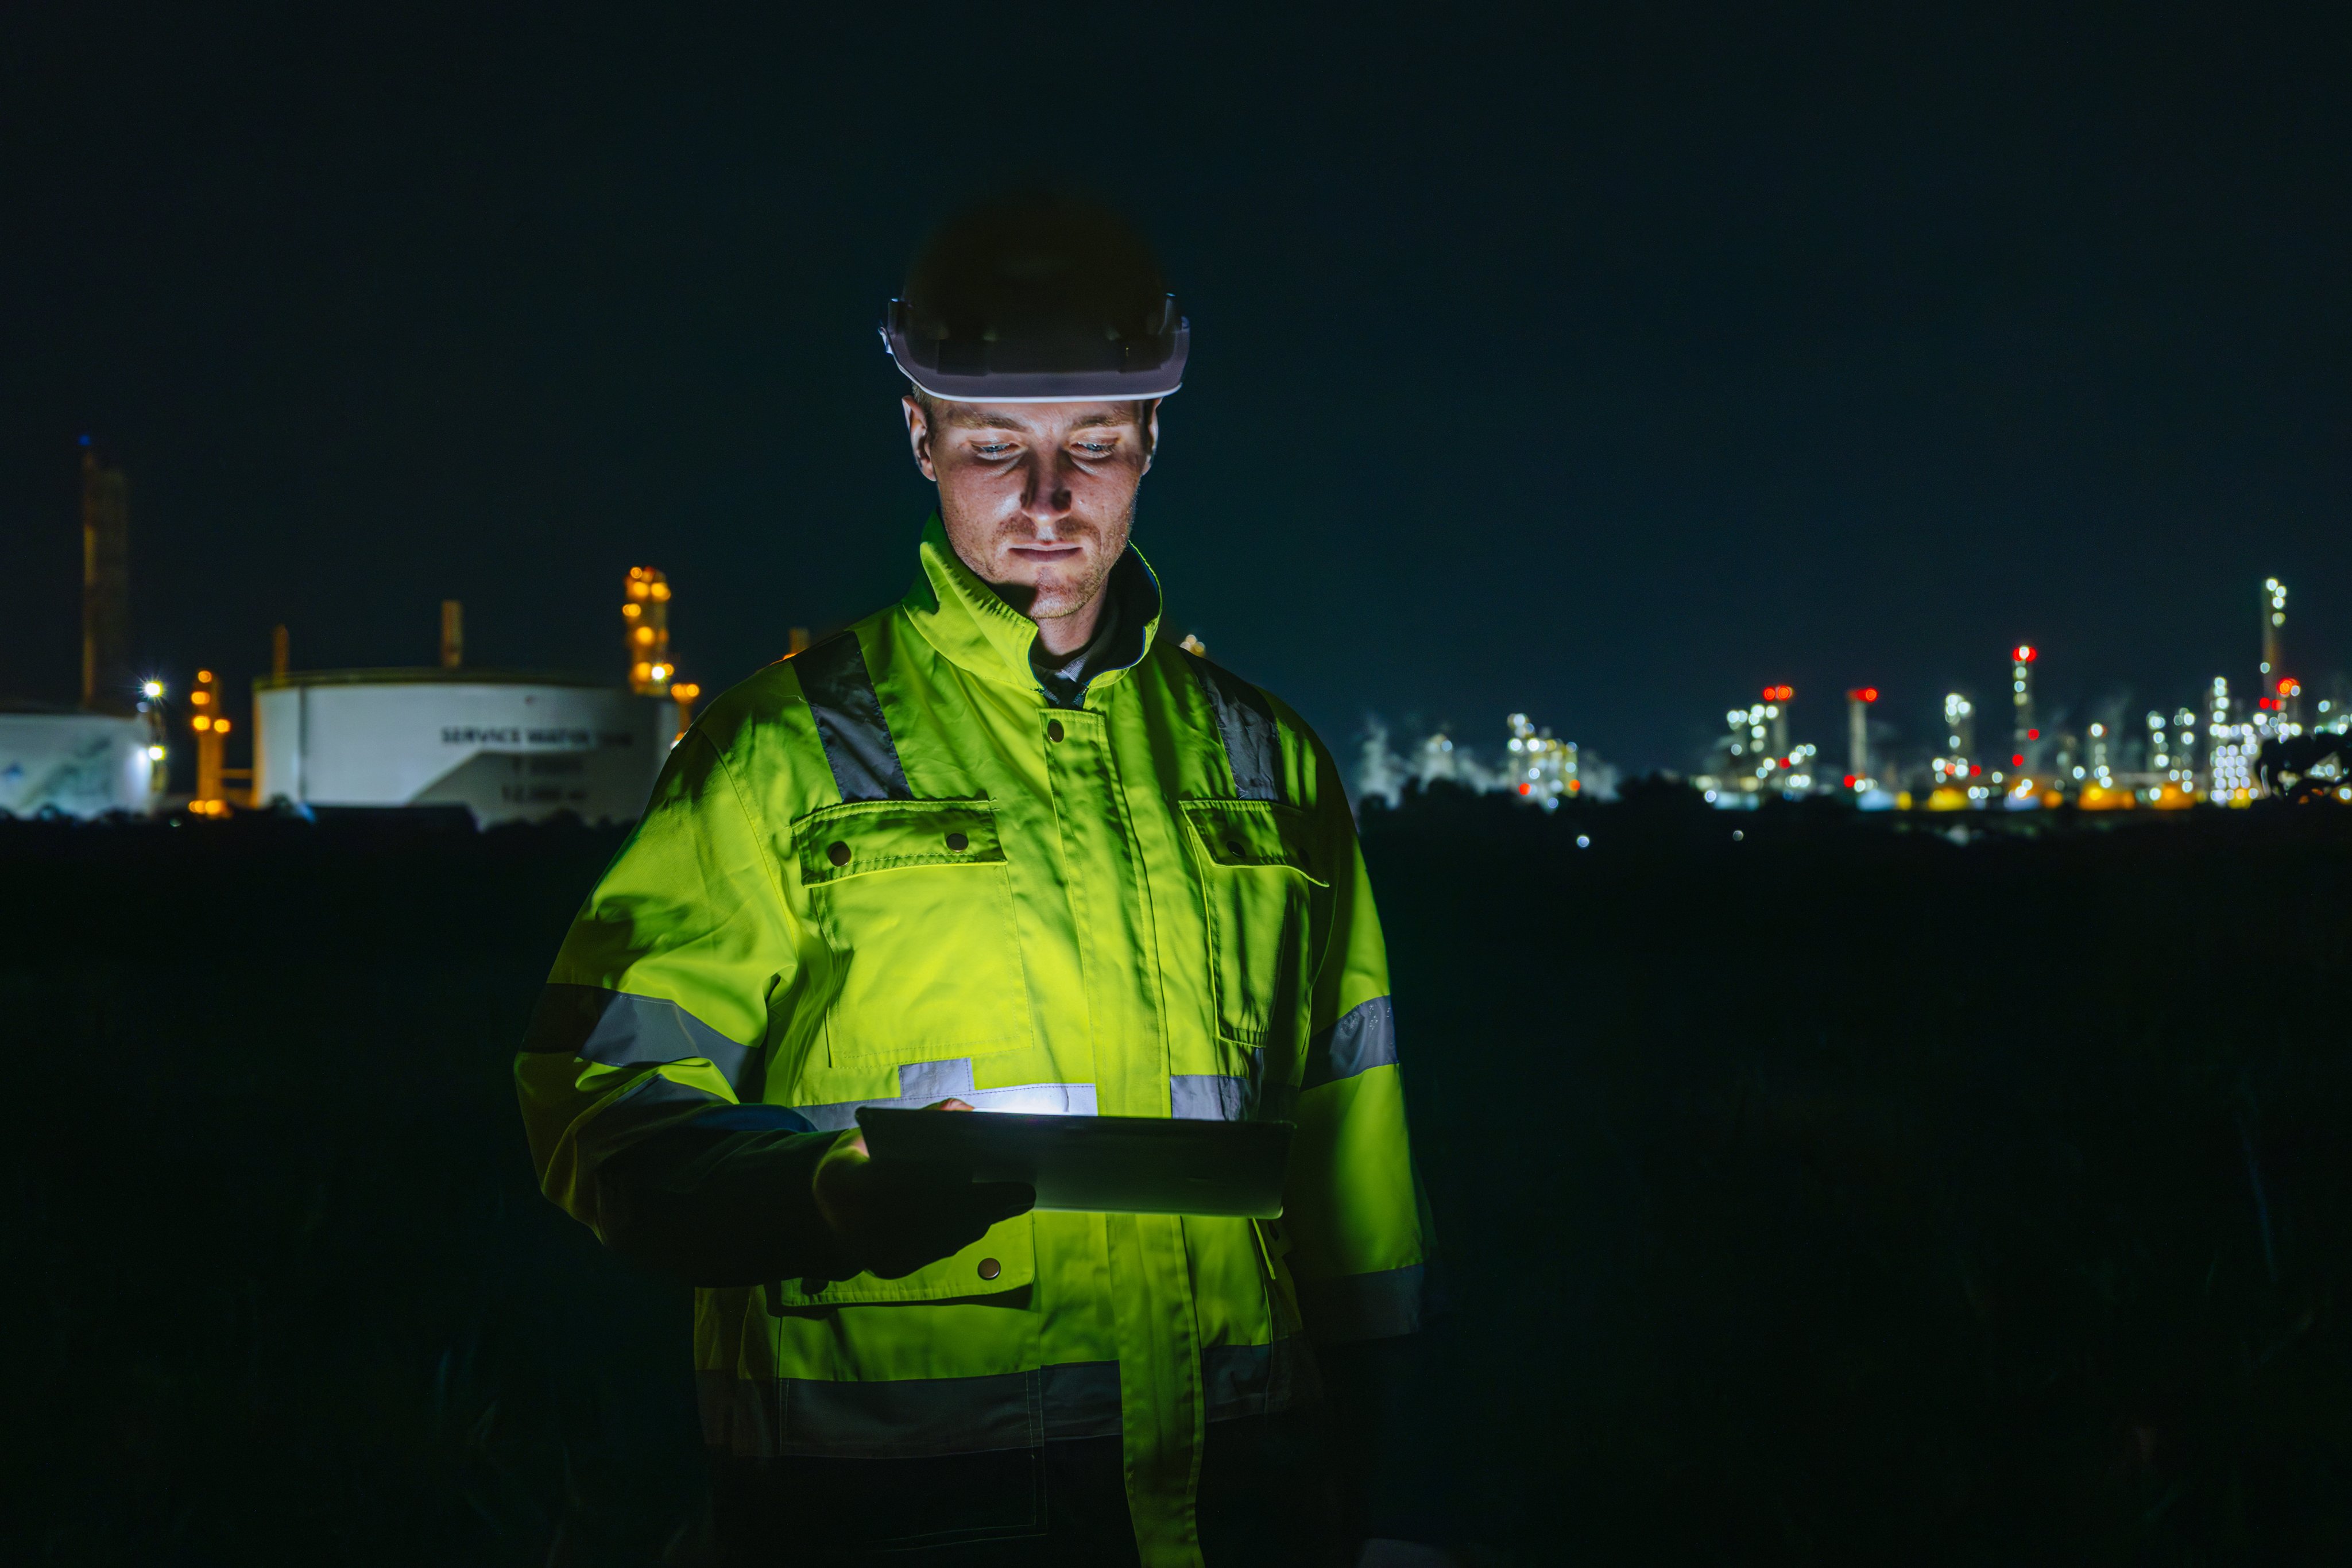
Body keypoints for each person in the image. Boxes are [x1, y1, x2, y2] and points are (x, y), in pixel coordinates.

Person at [515, 193, 1433, 1567]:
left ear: (1151, 438)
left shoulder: (1270, 762)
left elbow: (1357, 1176)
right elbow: (596, 1101)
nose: (1048, 498)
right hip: (885, 1521)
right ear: (920, 436)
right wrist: (820, 1196)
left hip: (1237, 1515)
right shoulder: (778, 754)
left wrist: (1384, 1496)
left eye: (1092, 446)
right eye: (997, 446)